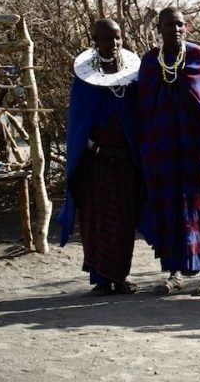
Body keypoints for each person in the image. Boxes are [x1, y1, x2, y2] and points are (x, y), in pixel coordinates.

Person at [139, 7, 200, 296]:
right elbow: (145, 109)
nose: (175, 29)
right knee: (171, 209)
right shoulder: (150, 63)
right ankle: (173, 273)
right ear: (158, 28)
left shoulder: (199, 58)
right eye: (169, 24)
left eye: (180, 24)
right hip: (165, 149)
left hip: (198, 149)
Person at [57, 18, 142, 295]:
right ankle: (101, 279)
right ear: (95, 41)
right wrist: (98, 149)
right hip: (95, 164)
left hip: (126, 163)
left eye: (118, 38)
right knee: (97, 220)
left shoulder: (131, 78)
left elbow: (138, 119)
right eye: (107, 39)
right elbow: (78, 127)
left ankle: (120, 276)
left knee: (124, 220)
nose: (114, 44)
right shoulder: (84, 81)